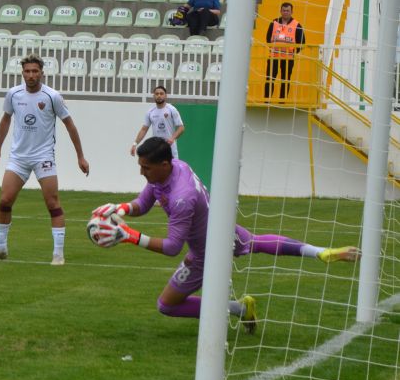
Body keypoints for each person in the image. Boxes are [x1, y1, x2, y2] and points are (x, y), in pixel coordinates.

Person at [90, 137, 359, 332]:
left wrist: (130, 236)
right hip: (218, 230)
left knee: (167, 305)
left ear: (162, 164)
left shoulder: (182, 197)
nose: (141, 172)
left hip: (207, 253)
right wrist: (122, 208)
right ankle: (319, 253)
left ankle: (238, 309)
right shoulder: (173, 168)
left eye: (145, 168)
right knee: (255, 242)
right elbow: (145, 202)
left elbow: (172, 246)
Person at [0, 55, 90, 265]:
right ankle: (1, 248)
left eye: (35, 71)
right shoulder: (13, 94)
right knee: (5, 201)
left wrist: (80, 156)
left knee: (52, 203)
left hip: (43, 157)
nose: (31, 75)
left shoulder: (52, 96)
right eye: (27, 71)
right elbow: (5, 119)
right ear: (22, 73)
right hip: (18, 157)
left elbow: (70, 125)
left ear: (42, 72)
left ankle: (58, 254)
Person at [264, 2, 306, 100]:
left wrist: (294, 52)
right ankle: (267, 100)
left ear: (291, 12)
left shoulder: (297, 25)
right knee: (270, 78)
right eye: (284, 10)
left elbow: (302, 42)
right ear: (280, 11)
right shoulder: (274, 22)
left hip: (288, 58)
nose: (285, 12)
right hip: (274, 55)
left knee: (285, 79)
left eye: (288, 11)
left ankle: (282, 100)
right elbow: (268, 37)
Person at [130, 85, 184, 160]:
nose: (159, 96)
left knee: (172, 170)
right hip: (156, 148)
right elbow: (144, 129)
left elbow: (181, 128)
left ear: (166, 96)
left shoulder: (172, 109)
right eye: (157, 94)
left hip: (170, 148)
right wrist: (135, 144)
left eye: (161, 94)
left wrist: (172, 138)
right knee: (157, 170)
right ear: (154, 96)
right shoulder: (150, 112)